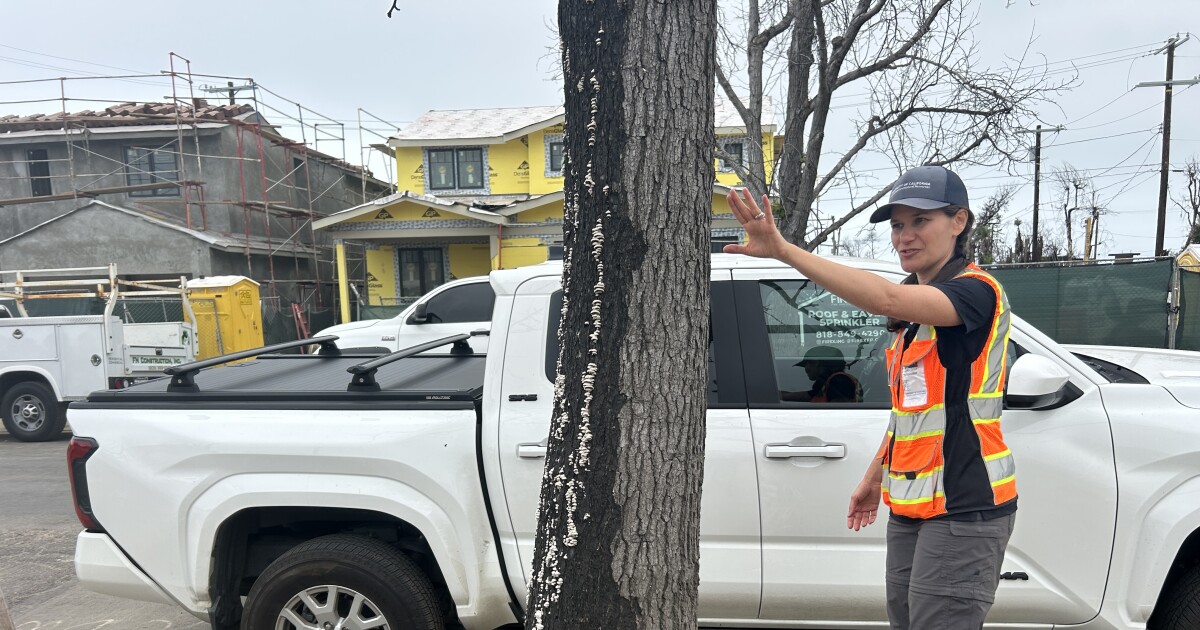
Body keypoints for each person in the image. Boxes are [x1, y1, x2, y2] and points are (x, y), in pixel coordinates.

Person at [724, 165, 1018, 630]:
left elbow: (883, 300)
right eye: (898, 225)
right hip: (911, 507)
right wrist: (873, 476)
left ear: (958, 221)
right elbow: (912, 414)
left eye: (920, 221)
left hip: (964, 505)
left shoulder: (975, 293)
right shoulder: (913, 305)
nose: (905, 236)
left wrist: (784, 251)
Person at [781, 345, 862, 403]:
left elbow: (839, 411)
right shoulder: (830, 382)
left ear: (816, 363)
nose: (805, 369)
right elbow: (807, 396)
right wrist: (777, 395)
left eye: (806, 364)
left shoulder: (839, 381)